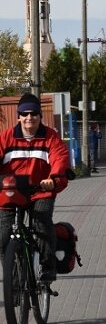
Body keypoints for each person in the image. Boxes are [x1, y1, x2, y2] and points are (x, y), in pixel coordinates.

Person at [0, 93, 70, 284]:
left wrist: (54, 178)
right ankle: (12, 277)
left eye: (33, 113)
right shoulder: (6, 138)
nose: (29, 117)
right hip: (11, 192)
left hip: (41, 190)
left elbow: (60, 158)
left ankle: (48, 266)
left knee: (41, 222)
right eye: (25, 113)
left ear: (40, 115)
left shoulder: (50, 137)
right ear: (18, 116)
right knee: (3, 233)